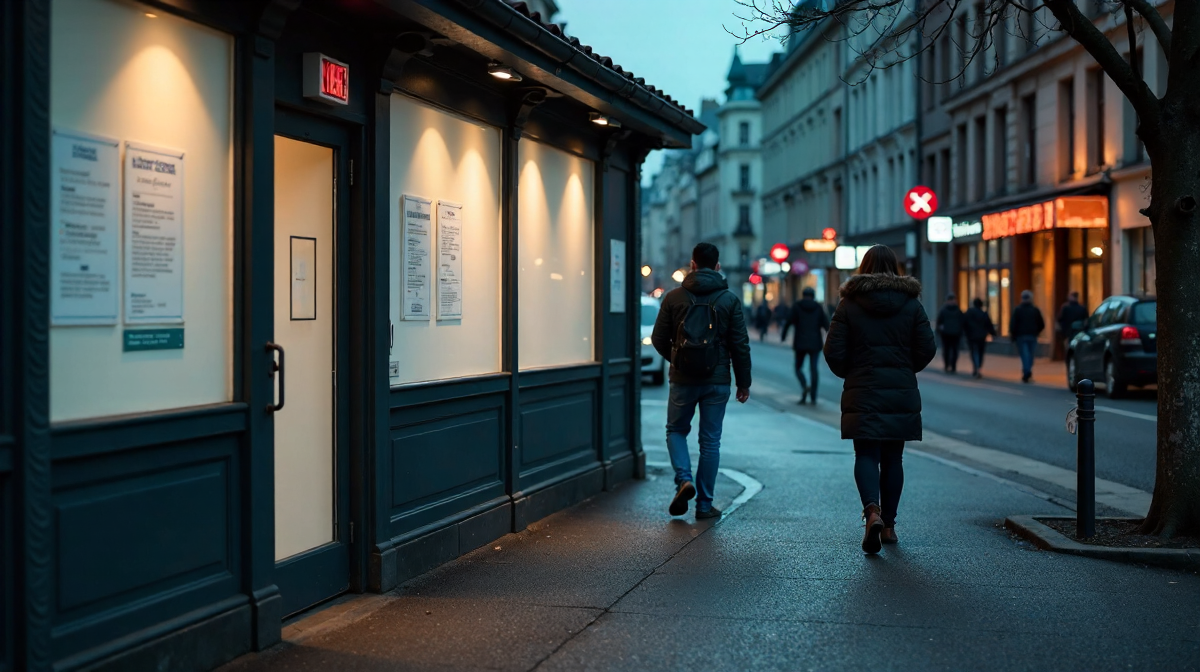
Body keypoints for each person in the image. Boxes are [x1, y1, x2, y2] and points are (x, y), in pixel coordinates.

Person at [823, 245, 936, 554]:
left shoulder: (849, 303)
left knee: (866, 455)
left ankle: (871, 510)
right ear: (895, 267)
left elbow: (832, 350)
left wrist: (852, 371)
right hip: (900, 389)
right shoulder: (911, 304)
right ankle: (888, 526)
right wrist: (903, 368)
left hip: (863, 387)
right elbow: (927, 348)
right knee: (893, 459)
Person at [651, 243, 752, 520]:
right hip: (717, 380)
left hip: (683, 379)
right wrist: (743, 383)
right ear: (717, 266)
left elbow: (659, 339)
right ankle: (705, 505)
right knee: (710, 442)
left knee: (676, 430)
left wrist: (678, 360)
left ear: (692, 264)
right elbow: (740, 345)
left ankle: (684, 479)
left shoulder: (673, 298)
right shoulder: (729, 300)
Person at [781, 287, 830, 404]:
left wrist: (783, 335)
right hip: (815, 342)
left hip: (800, 342)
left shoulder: (797, 306)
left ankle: (804, 385)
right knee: (814, 369)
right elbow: (826, 325)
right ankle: (813, 397)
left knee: (798, 368)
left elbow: (788, 321)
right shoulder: (818, 307)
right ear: (813, 296)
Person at [1010, 290, 1046, 383]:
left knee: (1025, 355)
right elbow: (1041, 324)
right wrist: (1036, 331)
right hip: (1031, 335)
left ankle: (1027, 371)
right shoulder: (1034, 310)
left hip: (1021, 336)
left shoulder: (1018, 310)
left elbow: (1013, 324)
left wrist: (1013, 335)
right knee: (1030, 355)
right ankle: (1027, 371)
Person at [964, 298, 997, 378]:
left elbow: (964, 323)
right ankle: (978, 367)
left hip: (972, 336)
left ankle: (976, 366)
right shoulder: (984, 314)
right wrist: (993, 333)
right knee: (980, 352)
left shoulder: (969, 313)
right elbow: (989, 324)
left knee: (974, 351)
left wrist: (965, 333)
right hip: (982, 336)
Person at [935, 294, 965, 373]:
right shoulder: (955, 310)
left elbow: (962, 322)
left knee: (950, 350)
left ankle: (950, 365)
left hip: (951, 333)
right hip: (949, 333)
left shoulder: (947, 310)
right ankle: (949, 365)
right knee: (950, 350)